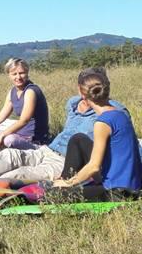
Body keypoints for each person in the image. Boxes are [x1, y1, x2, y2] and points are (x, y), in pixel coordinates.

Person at [0, 67, 135, 192]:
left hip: (67, 161)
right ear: (80, 88)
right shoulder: (73, 104)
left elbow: (124, 142)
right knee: (10, 155)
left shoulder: (112, 112)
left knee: (23, 172)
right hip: (48, 148)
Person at [49, 71, 141, 201]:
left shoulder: (102, 123)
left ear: (82, 95)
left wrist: (69, 184)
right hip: (131, 182)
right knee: (78, 139)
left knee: (53, 195)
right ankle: (64, 179)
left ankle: (63, 185)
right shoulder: (120, 113)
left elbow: (94, 166)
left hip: (118, 192)